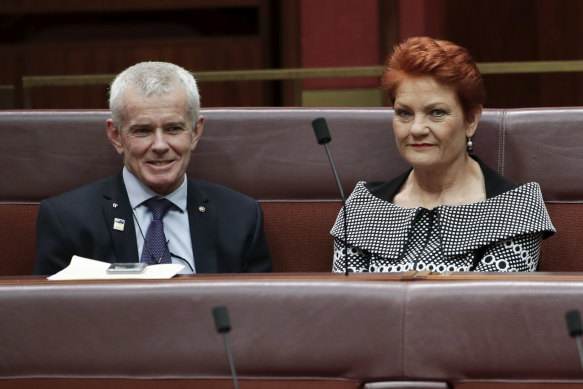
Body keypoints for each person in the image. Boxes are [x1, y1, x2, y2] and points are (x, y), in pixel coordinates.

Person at [331, 37, 555, 273]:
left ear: (471, 119)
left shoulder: (515, 209)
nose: (416, 129)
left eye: (436, 112)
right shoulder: (362, 208)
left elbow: (490, 306)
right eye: (404, 113)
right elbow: (346, 304)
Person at [33, 61, 272, 275]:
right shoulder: (67, 219)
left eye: (174, 129)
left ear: (196, 132)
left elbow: (259, 311)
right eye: (143, 131)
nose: (159, 145)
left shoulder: (241, 217)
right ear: (116, 136)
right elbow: (49, 313)